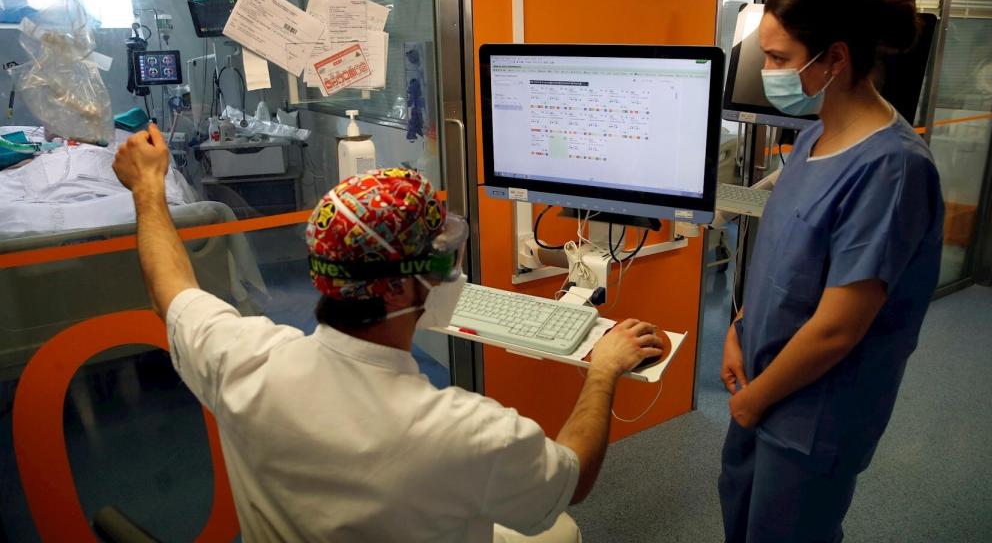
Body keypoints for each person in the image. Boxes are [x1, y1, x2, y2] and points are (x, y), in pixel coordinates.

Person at [113, 131, 663, 542]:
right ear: (398, 292)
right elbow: (573, 478)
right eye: (441, 255)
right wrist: (602, 370)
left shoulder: (243, 359)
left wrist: (147, 187)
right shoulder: (463, 431)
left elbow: (172, 287)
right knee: (560, 529)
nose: (452, 269)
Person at [717, 0, 944, 542]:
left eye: (777, 58)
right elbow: (781, 259)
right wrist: (739, 328)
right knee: (742, 520)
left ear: (834, 57)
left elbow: (838, 330)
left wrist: (754, 403)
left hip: (813, 411)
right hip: (764, 382)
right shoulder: (816, 137)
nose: (767, 74)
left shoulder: (891, 169)